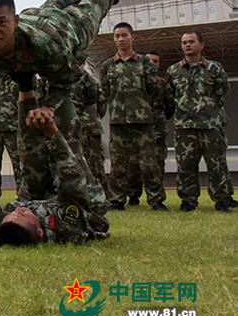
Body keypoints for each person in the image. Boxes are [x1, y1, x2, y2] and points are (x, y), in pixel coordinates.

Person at [0, 0, 119, 201]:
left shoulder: (45, 44)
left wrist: (49, 106)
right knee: (55, 1)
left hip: (66, 30)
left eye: (2, 22)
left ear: (15, 21)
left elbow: (69, 78)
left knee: (90, 6)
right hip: (39, 17)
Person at [0, 91, 110, 246]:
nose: (18, 209)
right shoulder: (67, 226)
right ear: (40, 232)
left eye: (11, 213)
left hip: (43, 197)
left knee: (29, 157)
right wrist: (51, 131)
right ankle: (59, 88)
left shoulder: (5, 226)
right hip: (83, 199)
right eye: (23, 214)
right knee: (69, 143)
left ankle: (25, 88)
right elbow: (73, 179)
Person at [99, 23, 166, 211]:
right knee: (119, 164)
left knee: (149, 163)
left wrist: (140, 106)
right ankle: (117, 200)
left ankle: (156, 200)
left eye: (124, 35)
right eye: (117, 36)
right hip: (118, 123)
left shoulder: (145, 62)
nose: (120, 39)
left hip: (142, 122)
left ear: (132, 37)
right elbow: (105, 92)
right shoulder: (108, 65)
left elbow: (153, 90)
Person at [164, 31, 233, 212]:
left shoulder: (214, 68)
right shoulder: (173, 71)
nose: (187, 45)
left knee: (216, 164)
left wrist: (208, 110)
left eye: (191, 41)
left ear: (201, 45)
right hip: (184, 127)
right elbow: (169, 97)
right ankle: (188, 201)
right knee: (185, 166)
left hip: (210, 126)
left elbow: (222, 93)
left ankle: (222, 200)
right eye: (184, 42)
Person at [73, 65, 108, 197]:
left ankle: (88, 194)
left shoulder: (63, 82)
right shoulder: (94, 82)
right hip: (91, 126)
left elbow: (102, 105)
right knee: (95, 164)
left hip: (80, 128)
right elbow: (102, 106)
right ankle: (101, 195)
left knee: (91, 164)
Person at [144, 51, 169, 198]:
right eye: (149, 60)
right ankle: (133, 197)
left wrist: (159, 118)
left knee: (158, 163)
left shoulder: (163, 84)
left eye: (155, 61)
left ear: (159, 65)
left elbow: (170, 105)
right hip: (138, 129)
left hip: (158, 129)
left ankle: (157, 197)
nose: (152, 64)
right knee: (133, 164)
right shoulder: (135, 82)